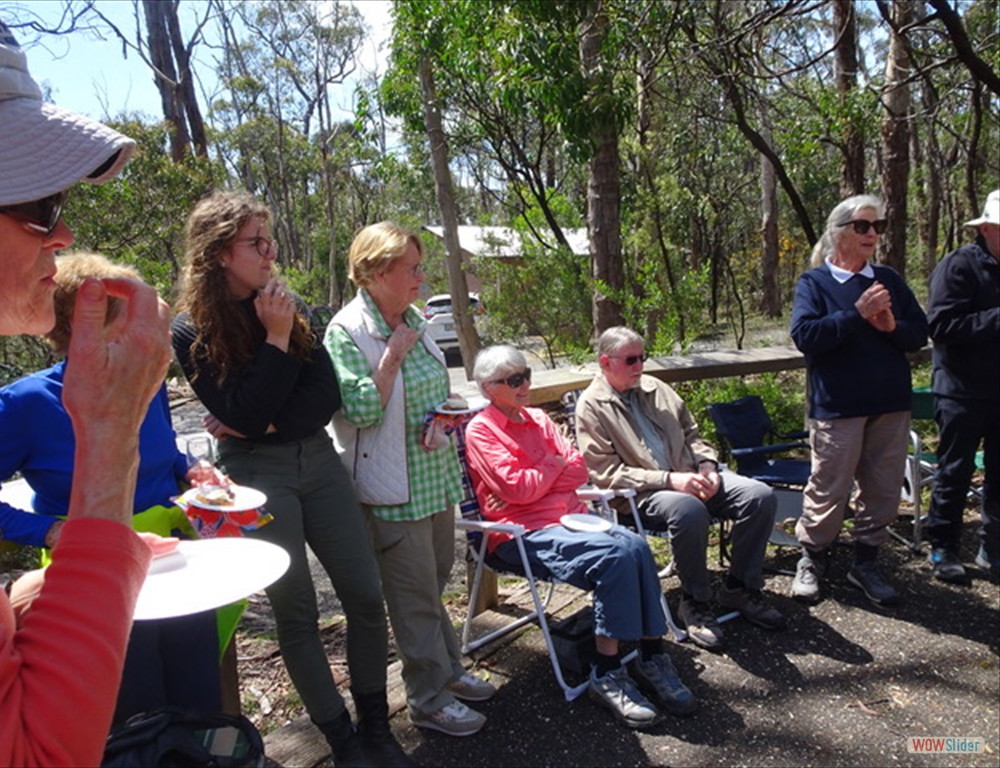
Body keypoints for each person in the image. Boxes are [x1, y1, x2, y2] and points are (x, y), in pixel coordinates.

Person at [0, 4, 171, 765]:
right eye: (38, 204)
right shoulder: (30, 399)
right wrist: (108, 439)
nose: (62, 235)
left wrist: (36, 595)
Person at [171, 192, 410, 767]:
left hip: (318, 461)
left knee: (364, 594)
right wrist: (275, 341)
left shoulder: (289, 303)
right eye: (257, 243)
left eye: (268, 240)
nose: (270, 253)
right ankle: (344, 742)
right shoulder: (191, 329)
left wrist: (266, 414)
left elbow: (324, 396)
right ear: (221, 252)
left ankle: (378, 729)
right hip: (255, 475)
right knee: (296, 612)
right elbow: (245, 416)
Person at [0, 252, 224, 725]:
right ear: (79, 326)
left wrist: (192, 470)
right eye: (126, 317)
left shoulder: (143, 384)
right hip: (88, 577)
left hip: (175, 562)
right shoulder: (25, 403)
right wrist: (49, 532)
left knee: (200, 699)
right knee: (137, 711)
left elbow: (164, 454)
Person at [464, 345, 696, 729]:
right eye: (515, 380)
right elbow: (519, 491)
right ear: (490, 388)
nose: (526, 385)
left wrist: (546, 472)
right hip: (521, 533)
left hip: (572, 521)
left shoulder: (538, 418)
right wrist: (554, 466)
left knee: (636, 546)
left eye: (527, 375)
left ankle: (652, 656)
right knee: (614, 558)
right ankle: (606, 673)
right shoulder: (481, 431)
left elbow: (579, 469)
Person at [325, 222, 496, 739]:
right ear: (377, 272)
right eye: (413, 270)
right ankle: (427, 699)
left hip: (431, 476)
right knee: (413, 596)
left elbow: (427, 390)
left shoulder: (414, 316)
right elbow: (358, 410)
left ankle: (447, 670)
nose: (422, 279)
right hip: (390, 486)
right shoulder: (348, 330)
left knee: (432, 583)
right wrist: (394, 352)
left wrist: (446, 413)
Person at [576, 327, 785, 651]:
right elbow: (606, 474)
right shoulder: (591, 406)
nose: (639, 365)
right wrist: (670, 480)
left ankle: (739, 588)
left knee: (759, 496)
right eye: (631, 359)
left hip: (690, 475)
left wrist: (707, 466)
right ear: (606, 362)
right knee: (688, 510)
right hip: (641, 496)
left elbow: (693, 435)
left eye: (642, 357)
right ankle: (695, 602)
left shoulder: (657, 389)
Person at [789, 194, 928, 606]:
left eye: (878, 227)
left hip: (889, 403)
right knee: (828, 489)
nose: (872, 234)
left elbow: (918, 334)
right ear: (839, 233)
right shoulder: (814, 283)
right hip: (837, 407)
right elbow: (806, 337)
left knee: (884, 489)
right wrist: (857, 313)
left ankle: (865, 563)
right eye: (863, 226)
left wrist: (889, 325)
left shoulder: (889, 279)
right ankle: (812, 559)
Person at [925, 189, 999, 582]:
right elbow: (940, 326)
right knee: (954, 471)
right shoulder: (959, 265)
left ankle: (993, 548)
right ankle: (943, 547)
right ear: (986, 228)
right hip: (961, 391)